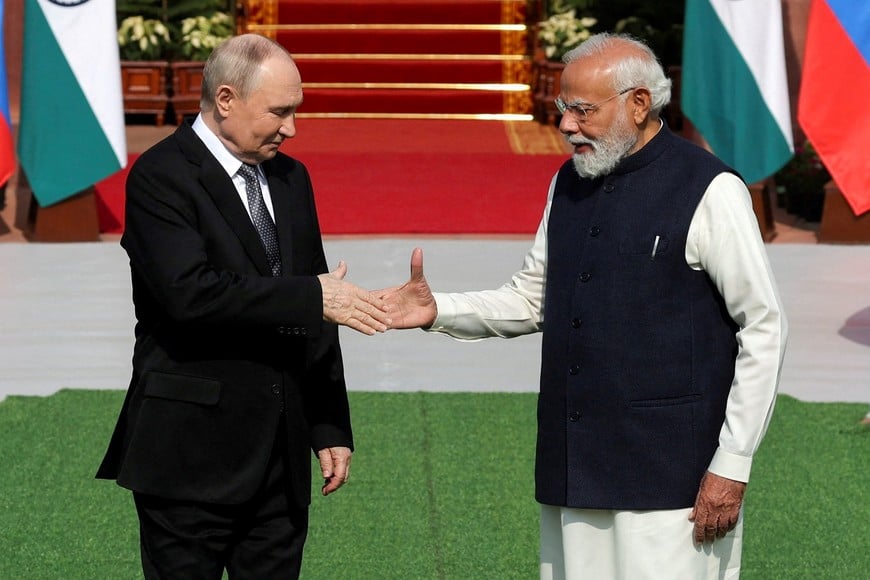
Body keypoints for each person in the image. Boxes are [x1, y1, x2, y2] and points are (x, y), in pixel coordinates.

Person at [381, 33, 787, 579]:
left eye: (582, 110)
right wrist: (436, 311)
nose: (566, 124)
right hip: (572, 469)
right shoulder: (568, 181)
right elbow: (533, 298)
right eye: (562, 107)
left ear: (639, 104)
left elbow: (763, 327)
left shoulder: (710, 189)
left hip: (674, 483)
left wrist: (732, 464)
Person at [96, 34, 390, 579]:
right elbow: (189, 294)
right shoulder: (161, 176)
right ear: (226, 99)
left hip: (280, 464)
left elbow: (319, 302)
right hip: (188, 459)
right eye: (279, 112)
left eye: (296, 111)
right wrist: (313, 296)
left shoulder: (291, 178)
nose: (291, 128)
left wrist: (328, 423)